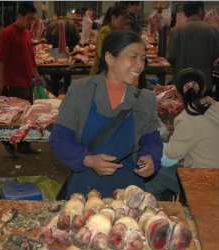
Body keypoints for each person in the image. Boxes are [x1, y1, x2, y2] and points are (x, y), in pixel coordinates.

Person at [49, 30, 162, 199]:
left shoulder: (145, 99)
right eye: (133, 57)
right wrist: (88, 160)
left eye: (143, 58)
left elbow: (151, 140)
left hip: (129, 192)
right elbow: (60, 139)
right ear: (110, 59)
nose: (140, 65)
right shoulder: (81, 91)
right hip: (84, 189)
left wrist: (150, 157)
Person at [146, 68, 219, 199]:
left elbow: (171, 155)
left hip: (205, 183)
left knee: (153, 166)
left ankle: (150, 208)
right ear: (204, 89)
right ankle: (159, 203)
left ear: (177, 92)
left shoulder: (188, 118)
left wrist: (152, 146)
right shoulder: (217, 108)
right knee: (157, 181)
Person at [0, 3, 43, 157]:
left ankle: (24, 145)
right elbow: (0, 59)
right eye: (29, 19)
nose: (31, 23)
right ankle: (8, 142)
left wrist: (37, 75)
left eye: (33, 19)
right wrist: (0, 81)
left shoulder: (26, 32)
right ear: (20, 16)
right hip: (13, 82)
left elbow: (31, 56)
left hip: (27, 81)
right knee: (15, 117)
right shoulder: (7, 33)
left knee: (26, 117)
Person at [167, 2, 219, 93]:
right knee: (202, 105)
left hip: (181, 80)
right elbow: (217, 54)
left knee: (180, 106)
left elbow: (171, 57)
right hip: (204, 80)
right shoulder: (211, 30)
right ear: (200, 10)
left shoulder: (175, 30)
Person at [44, 13, 80, 96]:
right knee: (67, 74)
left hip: (55, 52)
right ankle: (67, 94)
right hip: (68, 52)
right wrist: (70, 46)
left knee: (54, 75)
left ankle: (55, 95)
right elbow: (77, 38)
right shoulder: (71, 24)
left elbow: (47, 38)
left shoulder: (52, 24)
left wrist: (54, 44)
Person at [89, 4, 128, 76]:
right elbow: (101, 53)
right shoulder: (106, 30)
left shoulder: (117, 31)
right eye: (123, 20)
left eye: (125, 21)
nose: (124, 23)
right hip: (102, 71)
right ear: (113, 17)